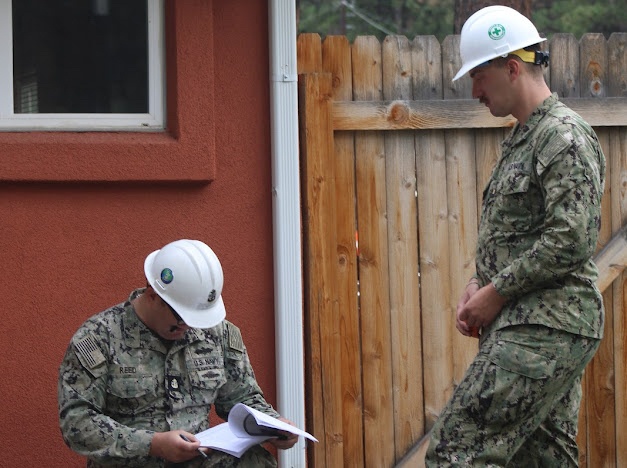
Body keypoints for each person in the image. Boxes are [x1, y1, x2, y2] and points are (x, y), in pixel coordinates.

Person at [425, 5, 606, 466]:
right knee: (542, 459)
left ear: (511, 68)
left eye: (479, 77)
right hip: (528, 323)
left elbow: (573, 237)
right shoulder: (525, 137)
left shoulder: (562, 135)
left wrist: (495, 291)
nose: (475, 91)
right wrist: (479, 282)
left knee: (455, 449)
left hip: (545, 326)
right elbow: (519, 233)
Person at [58, 239, 299, 467]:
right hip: (131, 461)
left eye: (198, 319)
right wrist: (153, 445)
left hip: (198, 459)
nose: (190, 328)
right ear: (153, 294)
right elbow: (77, 423)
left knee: (255, 461)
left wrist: (273, 425)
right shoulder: (98, 338)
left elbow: (242, 397)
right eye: (183, 318)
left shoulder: (219, 334)